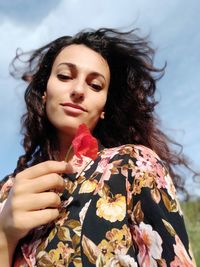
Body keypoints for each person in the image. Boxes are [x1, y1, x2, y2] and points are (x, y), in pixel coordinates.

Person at [0, 28, 197, 267]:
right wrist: (4, 236)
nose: (79, 90)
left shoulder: (134, 166)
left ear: (104, 108)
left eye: (95, 85)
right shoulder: (7, 190)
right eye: (64, 76)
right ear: (44, 91)